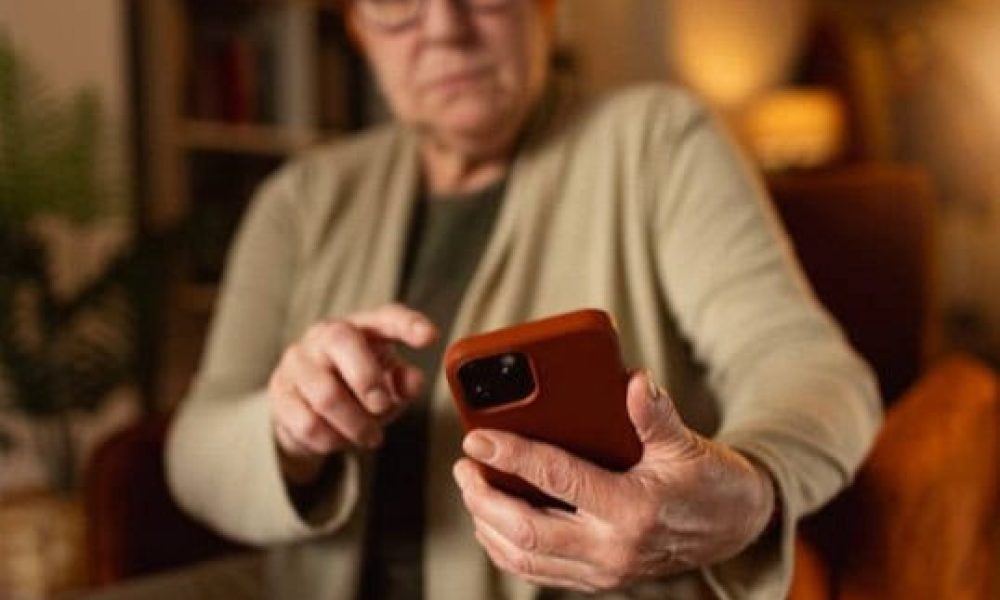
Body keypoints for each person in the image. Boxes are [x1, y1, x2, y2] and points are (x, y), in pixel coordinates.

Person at [93, 0, 883, 598]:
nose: (445, 27)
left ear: (547, 10)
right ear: (359, 30)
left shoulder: (658, 141)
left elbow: (810, 368)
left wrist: (749, 490)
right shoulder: (298, 201)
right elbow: (196, 448)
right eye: (396, 4)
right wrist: (287, 430)